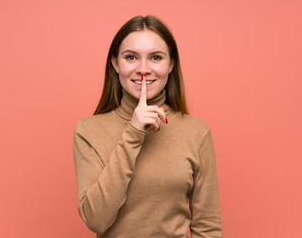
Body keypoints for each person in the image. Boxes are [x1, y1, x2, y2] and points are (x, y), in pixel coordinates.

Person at [73, 15, 222, 238]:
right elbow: (96, 220)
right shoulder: (88, 131)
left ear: (171, 64)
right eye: (131, 57)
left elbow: (207, 226)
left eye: (156, 57)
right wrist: (133, 133)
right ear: (115, 63)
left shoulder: (196, 132)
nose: (143, 69)